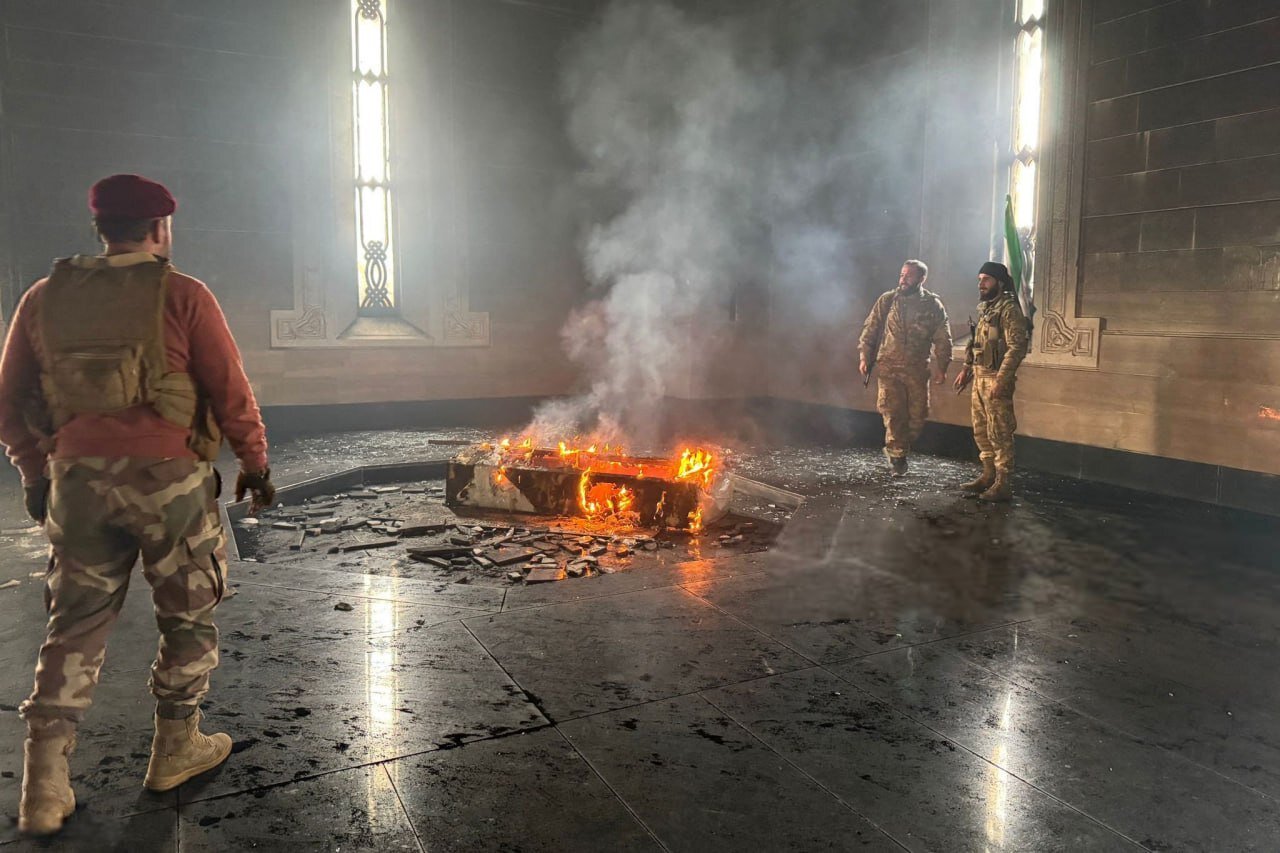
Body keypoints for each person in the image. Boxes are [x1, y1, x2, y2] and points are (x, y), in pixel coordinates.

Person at [0, 174, 277, 835]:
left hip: (77, 486)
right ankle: (174, 748)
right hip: (170, 486)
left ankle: (44, 784)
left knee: (73, 627)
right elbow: (231, 393)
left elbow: (7, 402)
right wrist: (257, 466)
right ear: (160, 228)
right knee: (187, 613)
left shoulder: (42, 298)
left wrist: (36, 472)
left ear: (101, 228)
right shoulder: (183, 294)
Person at [858, 259, 952, 475]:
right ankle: (897, 455)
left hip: (917, 369)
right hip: (889, 367)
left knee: (917, 416)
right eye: (902, 274)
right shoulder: (888, 300)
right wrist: (864, 356)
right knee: (892, 412)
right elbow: (870, 329)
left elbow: (943, 337)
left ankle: (901, 445)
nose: (903, 279)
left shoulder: (932, 305)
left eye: (909, 276)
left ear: (921, 279)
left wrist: (943, 366)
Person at [953, 261, 1029, 502]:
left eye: (986, 279)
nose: (981, 284)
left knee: (1000, 431)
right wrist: (967, 368)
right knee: (981, 429)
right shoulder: (985, 309)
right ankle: (987, 475)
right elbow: (976, 341)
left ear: (999, 281)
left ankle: (1003, 482)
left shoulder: (1009, 309)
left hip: (996, 378)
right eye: (979, 280)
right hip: (980, 376)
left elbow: (1017, 347)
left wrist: (1001, 379)